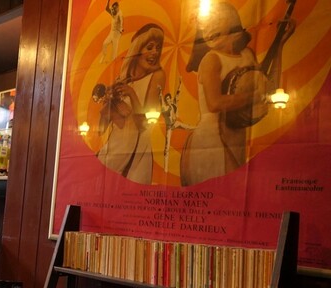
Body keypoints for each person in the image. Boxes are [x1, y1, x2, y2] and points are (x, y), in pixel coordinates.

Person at [180, 1, 294, 186]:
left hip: (236, 140)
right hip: (211, 141)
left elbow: (267, 89)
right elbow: (215, 103)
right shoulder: (211, 60)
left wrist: (279, 46)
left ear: (231, 22)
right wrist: (252, 97)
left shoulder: (247, 55)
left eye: (214, 21)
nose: (208, 29)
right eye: (205, 25)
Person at [95, 23, 166, 185]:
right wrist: (109, 104)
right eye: (149, 47)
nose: (155, 52)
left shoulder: (157, 76)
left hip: (137, 158)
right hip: (113, 154)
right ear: (137, 49)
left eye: (158, 47)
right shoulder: (121, 80)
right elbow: (100, 130)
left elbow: (145, 125)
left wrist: (132, 94)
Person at [159, 77, 195, 172]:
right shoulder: (165, 108)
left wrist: (180, 84)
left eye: (169, 98)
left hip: (175, 123)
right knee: (167, 147)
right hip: (169, 127)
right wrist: (160, 93)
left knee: (188, 126)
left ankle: (197, 128)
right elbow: (161, 102)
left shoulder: (173, 104)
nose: (168, 100)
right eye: (167, 99)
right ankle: (166, 169)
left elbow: (178, 94)